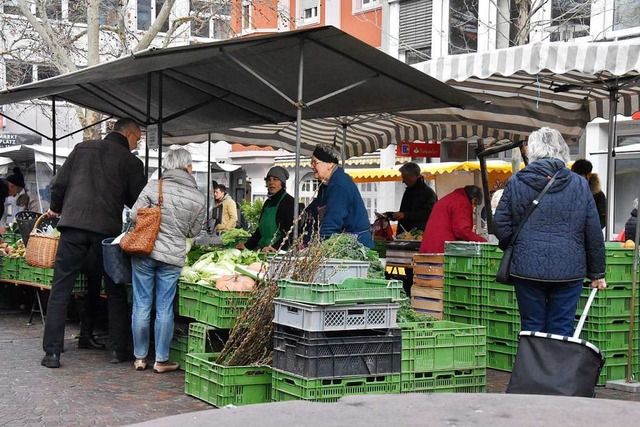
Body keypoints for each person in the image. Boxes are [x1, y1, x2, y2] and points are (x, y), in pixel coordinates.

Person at [41, 117, 147, 369]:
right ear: (129, 134)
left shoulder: (82, 148)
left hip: (73, 226)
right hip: (106, 233)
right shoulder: (131, 162)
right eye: (138, 139)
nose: (137, 145)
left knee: (61, 289)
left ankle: (52, 354)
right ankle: (117, 351)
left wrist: (57, 208)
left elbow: (58, 184)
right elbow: (138, 203)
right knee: (114, 289)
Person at [494, 127, 606, 336]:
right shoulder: (579, 184)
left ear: (532, 151)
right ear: (562, 150)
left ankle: (532, 368)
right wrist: (597, 273)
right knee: (562, 327)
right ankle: (556, 369)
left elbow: (500, 224)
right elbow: (593, 230)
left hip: (526, 268)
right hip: (569, 269)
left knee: (531, 326)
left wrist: (519, 245)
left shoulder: (517, 181)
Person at [130, 148, 205, 373]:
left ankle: (140, 357)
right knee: (164, 307)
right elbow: (193, 232)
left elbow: (134, 215)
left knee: (142, 303)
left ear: (167, 166)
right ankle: (161, 360)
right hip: (172, 258)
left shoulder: (154, 186)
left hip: (145, 251)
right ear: (188, 168)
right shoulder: (198, 197)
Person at [306, 143, 374, 249]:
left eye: (315, 162)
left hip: (357, 245)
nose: (312, 166)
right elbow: (314, 214)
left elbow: (332, 221)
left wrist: (318, 249)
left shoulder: (339, 185)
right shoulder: (325, 185)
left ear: (330, 164)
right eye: (311, 162)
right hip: (341, 242)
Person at [237, 166, 294, 252]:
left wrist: (275, 247)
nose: (271, 183)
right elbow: (260, 230)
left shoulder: (289, 202)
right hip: (263, 250)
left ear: (282, 183)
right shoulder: (267, 202)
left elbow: (290, 233)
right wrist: (247, 246)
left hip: (279, 252)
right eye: (269, 180)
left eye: (275, 179)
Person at [419, 185, 487, 254]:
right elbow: (462, 230)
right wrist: (482, 241)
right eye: (475, 205)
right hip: (442, 250)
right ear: (474, 200)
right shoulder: (462, 202)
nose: (474, 207)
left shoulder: (451, 198)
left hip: (428, 248)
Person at [391, 162, 437, 236]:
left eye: (405, 178)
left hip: (418, 236)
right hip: (405, 235)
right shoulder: (409, 191)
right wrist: (394, 215)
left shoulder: (428, 193)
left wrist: (405, 215)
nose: (403, 181)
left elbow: (429, 214)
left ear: (413, 177)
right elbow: (407, 211)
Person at [571, 159, 607, 229]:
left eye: (580, 176)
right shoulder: (597, 193)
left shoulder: (597, 194)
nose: (578, 179)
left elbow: (603, 217)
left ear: (589, 175)